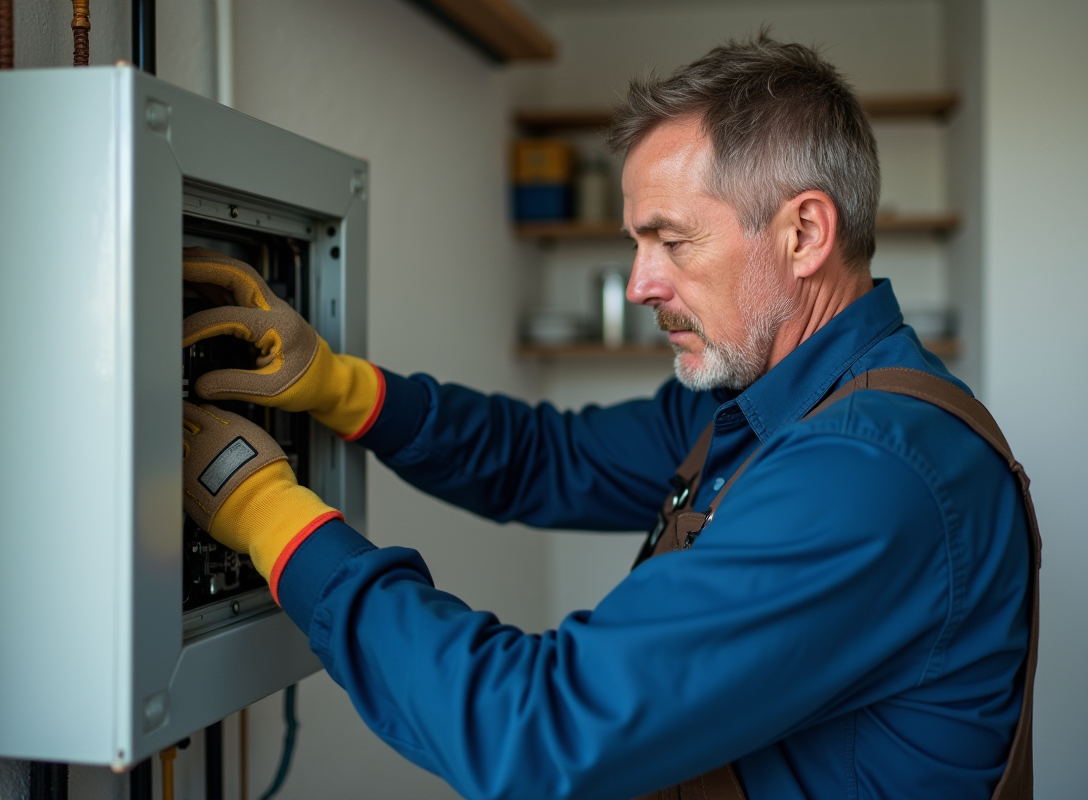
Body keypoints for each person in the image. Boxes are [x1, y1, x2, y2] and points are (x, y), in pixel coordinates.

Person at [180, 36, 1038, 800]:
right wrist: (341, 388)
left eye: (672, 240)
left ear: (805, 234)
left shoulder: (866, 474)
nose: (639, 285)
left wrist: (269, 515)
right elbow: (548, 457)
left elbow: (539, 730)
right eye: (635, 244)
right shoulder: (761, 406)